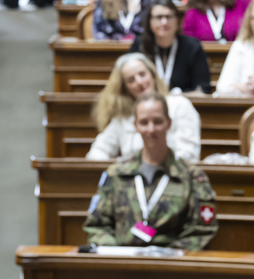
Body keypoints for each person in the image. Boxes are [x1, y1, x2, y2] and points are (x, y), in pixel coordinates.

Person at [83, 93, 217, 249]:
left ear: (169, 123)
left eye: (158, 121)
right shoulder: (117, 173)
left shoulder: (192, 176)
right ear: (136, 126)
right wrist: (115, 253)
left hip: (173, 266)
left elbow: (201, 230)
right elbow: (97, 225)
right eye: (144, 122)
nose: (151, 129)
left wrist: (168, 256)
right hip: (123, 263)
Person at [86, 53, 201, 163]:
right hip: (133, 180)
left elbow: (189, 153)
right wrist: (123, 168)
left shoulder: (179, 105)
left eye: (142, 74)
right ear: (125, 88)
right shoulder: (124, 116)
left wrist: (155, 167)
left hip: (174, 177)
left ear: (153, 75)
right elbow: (96, 153)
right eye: (131, 80)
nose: (139, 82)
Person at [135, 0, 211, 94]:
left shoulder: (192, 47)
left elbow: (202, 89)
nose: (164, 22)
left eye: (169, 17)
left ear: (177, 21)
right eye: (158, 17)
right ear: (149, 21)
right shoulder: (139, 45)